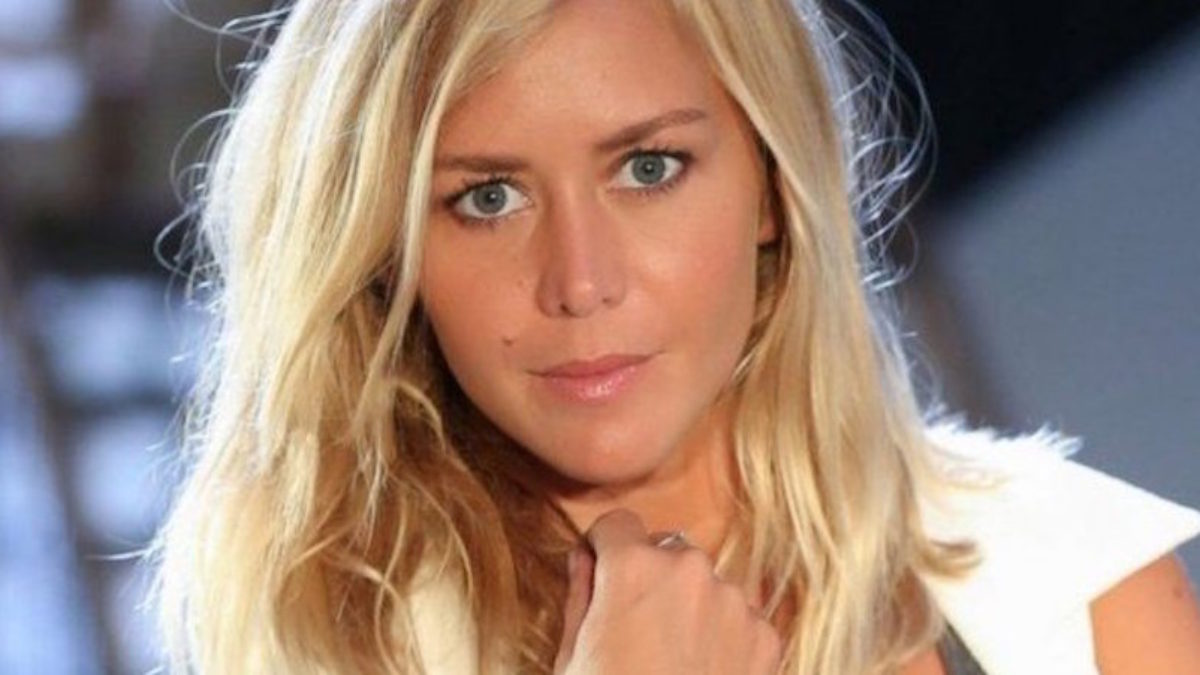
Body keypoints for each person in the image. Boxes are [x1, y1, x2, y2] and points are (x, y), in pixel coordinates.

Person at [151, 0, 1200, 673]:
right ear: (386, 250)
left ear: (771, 185)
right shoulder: (322, 645)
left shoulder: (1066, 585)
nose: (581, 282)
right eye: (487, 198)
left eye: (648, 169)